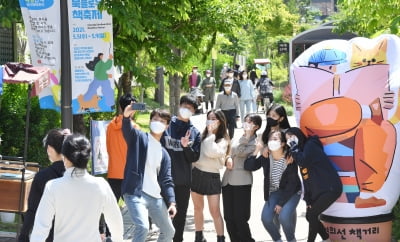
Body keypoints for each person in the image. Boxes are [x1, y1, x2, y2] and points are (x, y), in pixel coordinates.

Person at [30, 134, 123, 242]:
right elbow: (115, 222)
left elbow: (40, 227)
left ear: (64, 157)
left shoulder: (53, 187)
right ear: (87, 157)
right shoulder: (101, 185)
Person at [122, 107, 177, 242]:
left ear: (167, 126)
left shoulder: (164, 154)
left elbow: (166, 180)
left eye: (162, 121)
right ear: (150, 121)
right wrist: (126, 116)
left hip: (155, 197)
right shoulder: (139, 137)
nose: (158, 123)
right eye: (155, 119)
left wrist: (172, 202)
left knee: (169, 231)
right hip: (135, 193)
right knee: (143, 226)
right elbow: (127, 130)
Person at [285, 127, 342, 242]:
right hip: (320, 191)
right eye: (287, 139)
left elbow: (303, 161)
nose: (290, 140)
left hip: (330, 188)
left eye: (291, 137)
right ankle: (326, 239)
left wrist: (293, 147)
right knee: (309, 216)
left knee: (312, 215)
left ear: (298, 135)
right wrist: (308, 200)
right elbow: (306, 179)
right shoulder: (299, 152)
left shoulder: (311, 145)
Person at [245, 130, 301, 242]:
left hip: (292, 192)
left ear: (283, 143)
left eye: (275, 139)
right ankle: (278, 239)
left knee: (284, 217)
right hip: (274, 192)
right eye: (270, 139)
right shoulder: (266, 156)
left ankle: (291, 239)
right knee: (265, 218)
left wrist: (280, 204)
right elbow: (249, 166)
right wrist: (257, 150)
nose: (271, 141)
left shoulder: (290, 158)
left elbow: (292, 184)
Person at [161, 94, 201, 242]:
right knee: (164, 216)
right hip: (163, 179)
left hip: (182, 181)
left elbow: (194, 157)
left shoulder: (194, 133)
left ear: (193, 112)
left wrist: (186, 147)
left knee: (179, 218)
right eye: (184, 106)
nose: (186, 109)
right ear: (179, 106)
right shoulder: (166, 124)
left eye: (190, 108)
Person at [100, 93, 140, 239]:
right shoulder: (135, 128)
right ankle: (140, 232)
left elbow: (109, 147)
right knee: (135, 206)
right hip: (129, 173)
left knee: (111, 206)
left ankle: (109, 234)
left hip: (114, 171)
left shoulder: (110, 125)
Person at [18, 129, 69, 242]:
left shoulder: (42, 177)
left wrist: (24, 235)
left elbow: (32, 210)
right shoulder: (81, 176)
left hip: (50, 235)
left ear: (50, 149)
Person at [191, 109, 231, 242]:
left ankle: (220, 238)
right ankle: (199, 236)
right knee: (197, 208)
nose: (211, 121)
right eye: (209, 118)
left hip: (212, 176)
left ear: (220, 121)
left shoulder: (223, 140)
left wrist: (210, 134)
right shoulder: (202, 136)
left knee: (214, 211)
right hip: (197, 174)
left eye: (214, 118)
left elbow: (211, 152)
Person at [221, 113, 262, 242]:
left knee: (240, 217)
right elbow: (228, 151)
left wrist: (248, 136)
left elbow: (240, 152)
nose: (246, 124)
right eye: (245, 121)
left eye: (249, 122)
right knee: (228, 217)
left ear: (256, 126)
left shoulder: (255, 142)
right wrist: (227, 158)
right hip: (227, 180)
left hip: (242, 181)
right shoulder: (238, 135)